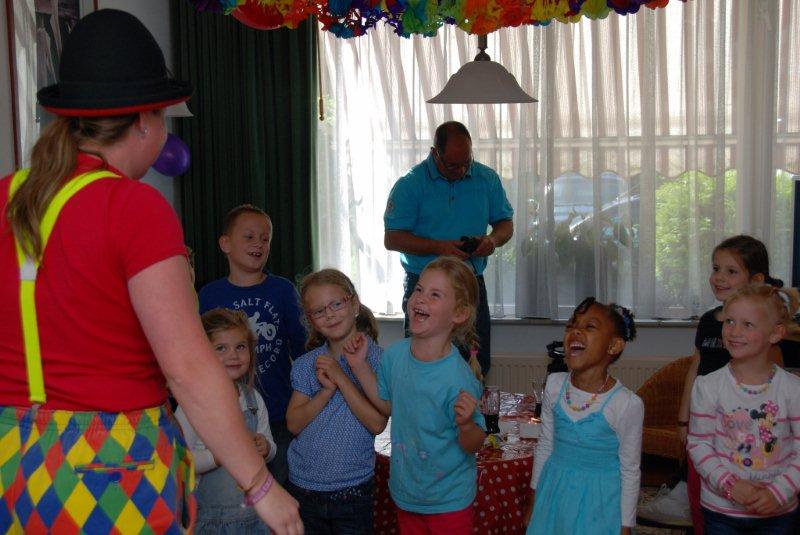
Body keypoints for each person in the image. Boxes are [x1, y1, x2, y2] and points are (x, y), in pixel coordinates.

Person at [0, 9, 301, 534]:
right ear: (143, 119)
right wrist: (262, 485)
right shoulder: (133, 207)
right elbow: (188, 368)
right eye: (165, 115)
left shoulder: (8, 195)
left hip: (15, 459)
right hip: (112, 462)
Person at [350, 256, 486, 533]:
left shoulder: (458, 379)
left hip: (449, 501)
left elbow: (474, 443)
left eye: (435, 295)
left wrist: (466, 424)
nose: (420, 299)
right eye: (419, 289)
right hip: (406, 493)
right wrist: (359, 366)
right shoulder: (396, 354)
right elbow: (387, 405)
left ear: (458, 313)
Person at [663, 235, 785, 531]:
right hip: (704, 423)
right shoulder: (708, 320)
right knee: (700, 493)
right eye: (716, 268)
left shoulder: (762, 331)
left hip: (743, 429)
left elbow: (776, 383)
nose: (719, 277)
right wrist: (683, 421)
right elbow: (696, 367)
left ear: (755, 279)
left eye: (731, 271)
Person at [384, 121, 514, 377]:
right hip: (423, 284)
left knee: (475, 364)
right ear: (435, 154)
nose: (462, 169)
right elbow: (393, 239)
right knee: (422, 362)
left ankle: (469, 416)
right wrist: (440, 247)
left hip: (470, 283)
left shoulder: (486, 178)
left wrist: (492, 241)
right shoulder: (410, 184)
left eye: (467, 161)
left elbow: (505, 223)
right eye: (453, 165)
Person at [199, 204, 307, 486]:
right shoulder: (209, 295)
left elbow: (303, 349)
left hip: (278, 416)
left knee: (278, 490)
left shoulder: (283, 290)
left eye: (265, 238)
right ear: (225, 244)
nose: (259, 243)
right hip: (225, 416)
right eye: (249, 237)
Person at [687, 284, 800, 533]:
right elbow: (698, 444)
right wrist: (731, 486)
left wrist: (778, 492)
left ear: (775, 333)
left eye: (747, 324)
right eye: (729, 321)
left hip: (778, 512)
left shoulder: (793, 389)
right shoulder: (708, 386)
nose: (734, 332)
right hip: (721, 511)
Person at [525, 297, 643, 535]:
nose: (575, 331)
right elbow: (546, 445)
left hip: (598, 503)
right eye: (571, 325)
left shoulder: (626, 404)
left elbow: (630, 470)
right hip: (554, 493)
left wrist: (626, 525)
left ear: (613, 346)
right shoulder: (555, 386)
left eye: (589, 327)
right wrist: (533, 501)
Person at [285, 269, 387, 533]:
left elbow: (377, 423)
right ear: (310, 320)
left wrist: (341, 377)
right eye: (319, 311)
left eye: (336, 304)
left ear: (354, 303)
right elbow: (294, 424)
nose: (329, 314)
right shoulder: (307, 364)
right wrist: (326, 391)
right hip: (303, 489)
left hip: (352, 493)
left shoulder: (378, 360)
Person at [176, 308, 277, 534]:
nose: (233, 355)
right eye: (221, 348)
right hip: (212, 522)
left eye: (240, 347)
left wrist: (266, 446)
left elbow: (271, 448)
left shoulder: (254, 400)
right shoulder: (193, 404)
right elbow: (180, 461)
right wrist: (219, 456)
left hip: (255, 518)